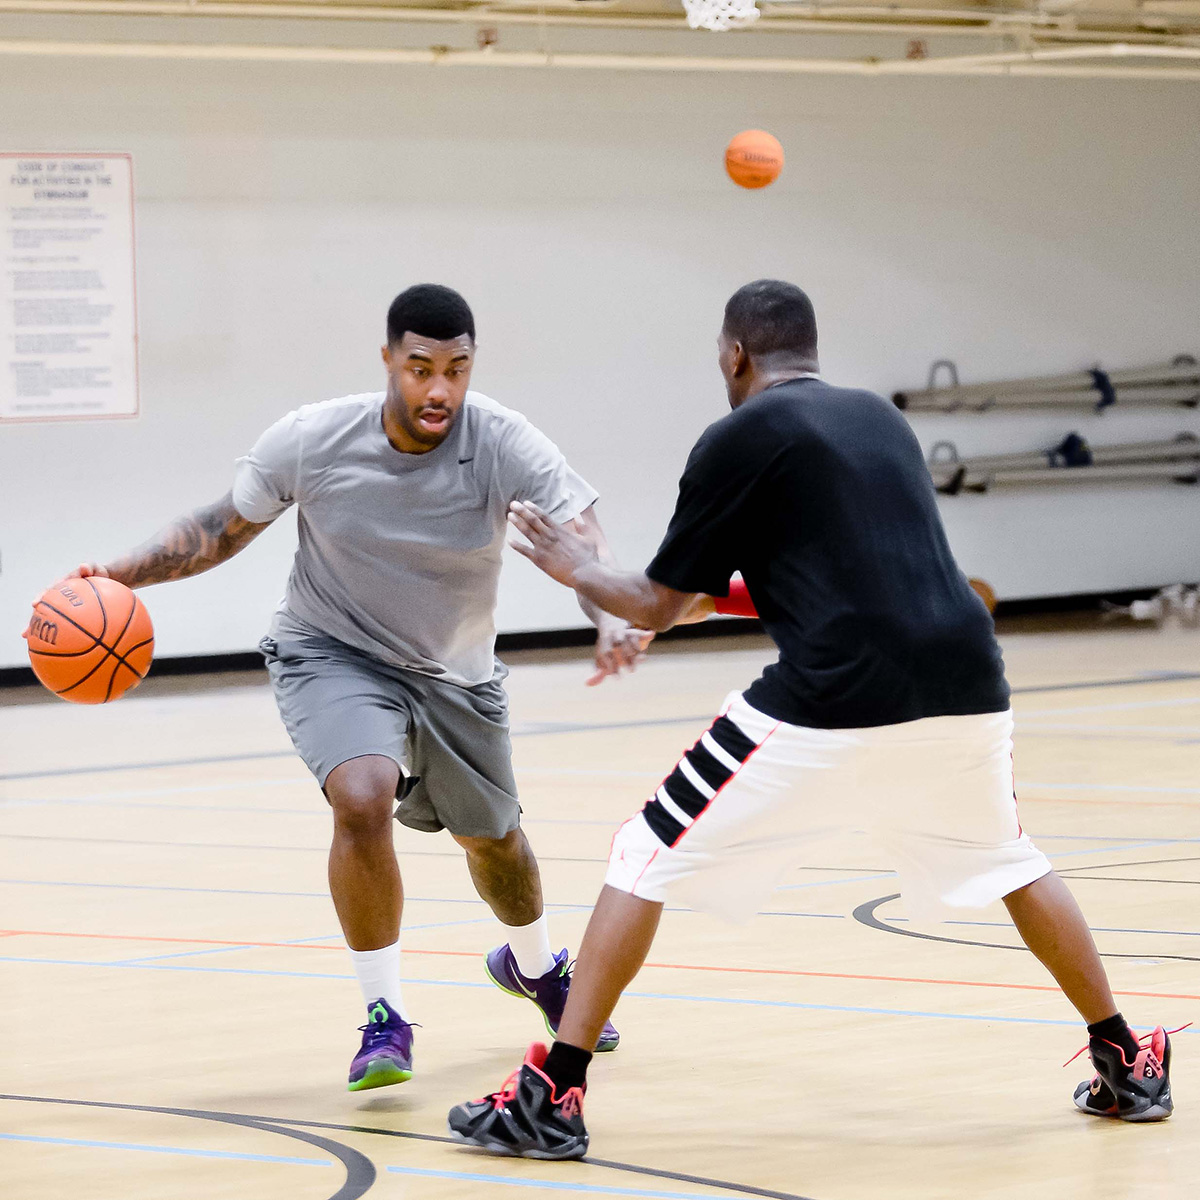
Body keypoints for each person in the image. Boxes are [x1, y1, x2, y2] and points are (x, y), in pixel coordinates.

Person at [447, 278, 1174, 1159]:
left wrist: (576, 570)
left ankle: (552, 1095)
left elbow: (654, 600)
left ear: (736, 355)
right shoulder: (879, 422)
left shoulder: (738, 435)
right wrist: (681, 608)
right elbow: (830, 577)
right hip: (967, 682)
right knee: (1008, 860)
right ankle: (1126, 1058)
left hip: (834, 693)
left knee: (643, 852)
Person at [67, 283, 641, 1090]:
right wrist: (122, 573)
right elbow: (219, 528)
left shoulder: (504, 441)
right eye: (420, 368)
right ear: (387, 362)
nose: (439, 389)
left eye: (456, 368)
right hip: (330, 650)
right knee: (362, 794)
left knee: (496, 844)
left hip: (456, 676)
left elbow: (582, 541)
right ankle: (385, 1017)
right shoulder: (314, 438)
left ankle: (535, 963)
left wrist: (614, 614)